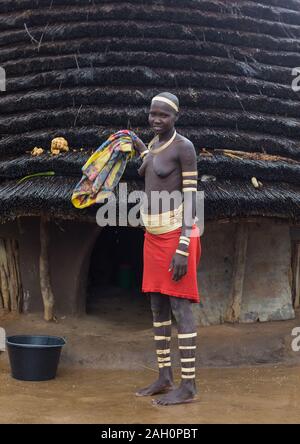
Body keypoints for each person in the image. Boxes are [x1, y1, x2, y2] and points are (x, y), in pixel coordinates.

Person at [131, 92, 201, 406]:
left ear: (176, 116)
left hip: (177, 236)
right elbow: (151, 170)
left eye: (163, 115)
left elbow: (190, 198)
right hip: (152, 237)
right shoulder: (155, 145)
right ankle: (164, 376)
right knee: (157, 307)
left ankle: (188, 386)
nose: (156, 120)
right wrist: (141, 147)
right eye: (152, 114)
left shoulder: (184, 148)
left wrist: (184, 247)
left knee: (180, 308)